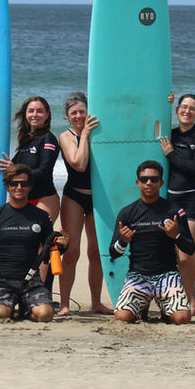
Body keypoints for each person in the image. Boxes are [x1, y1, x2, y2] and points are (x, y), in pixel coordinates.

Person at [0, 163, 67, 322]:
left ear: (30, 187)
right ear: (7, 186)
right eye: (14, 183)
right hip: (3, 281)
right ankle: (11, 308)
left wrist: (62, 245)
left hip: (31, 280)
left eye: (24, 184)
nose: (19, 187)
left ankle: (26, 310)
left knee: (46, 314)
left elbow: (49, 253)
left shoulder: (41, 217)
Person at [109, 160, 195, 325]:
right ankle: (143, 304)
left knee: (182, 319)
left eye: (154, 179)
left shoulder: (174, 211)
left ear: (161, 182)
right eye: (144, 179)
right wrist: (123, 241)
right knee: (122, 317)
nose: (149, 183)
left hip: (167, 275)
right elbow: (113, 252)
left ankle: (165, 308)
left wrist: (176, 236)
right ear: (138, 183)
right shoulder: (127, 213)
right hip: (138, 276)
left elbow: (190, 248)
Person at [56, 92, 112, 315]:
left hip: (99, 198)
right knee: (70, 252)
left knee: (97, 252)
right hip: (74, 197)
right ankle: (64, 304)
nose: (78, 116)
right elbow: (78, 164)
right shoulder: (66, 136)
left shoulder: (99, 132)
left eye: (82, 111)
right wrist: (86, 135)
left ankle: (96, 303)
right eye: (73, 113)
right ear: (67, 117)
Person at [160, 93, 195, 318]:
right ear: (177, 110)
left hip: (193, 200)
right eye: (183, 107)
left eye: (192, 108)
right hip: (172, 201)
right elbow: (151, 120)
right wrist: (165, 100)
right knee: (178, 259)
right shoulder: (169, 135)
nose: (187, 111)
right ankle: (190, 304)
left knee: (186, 255)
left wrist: (171, 154)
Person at [0, 96, 60, 222]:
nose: (35, 114)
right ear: (25, 114)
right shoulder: (26, 140)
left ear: (47, 114)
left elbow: (44, 171)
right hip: (23, 198)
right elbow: (14, 166)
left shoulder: (48, 139)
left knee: (38, 239)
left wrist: (14, 169)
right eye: (31, 111)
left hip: (44, 198)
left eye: (39, 111)